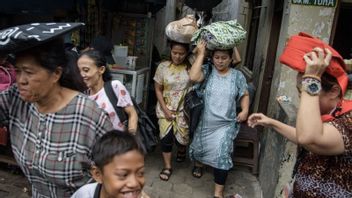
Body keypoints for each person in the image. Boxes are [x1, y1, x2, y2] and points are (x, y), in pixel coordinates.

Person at [0, 37, 114, 197]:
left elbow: (118, 169)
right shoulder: (16, 99)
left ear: (56, 74)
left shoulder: (89, 114)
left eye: (29, 72)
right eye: (17, 71)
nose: (20, 81)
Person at [248, 47, 352, 197]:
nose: (301, 98)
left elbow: (308, 137)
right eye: (300, 91)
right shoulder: (330, 115)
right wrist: (271, 123)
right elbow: (306, 138)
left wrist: (312, 78)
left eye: (306, 91)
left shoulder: (348, 121)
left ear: (334, 92)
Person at [188, 40, 250, 198]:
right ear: (212, 58)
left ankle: (218, 193)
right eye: (217, 57)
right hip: (206, 122)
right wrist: (201, 54)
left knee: (222, 155)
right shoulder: (208, 71)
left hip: (226, 124)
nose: (220, 61)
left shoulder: (237, 76)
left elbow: (244, 93)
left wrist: (245, 110)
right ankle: (199, 164)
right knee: (200, 148)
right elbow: (194, 77)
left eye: (224, 58)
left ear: (231, 59)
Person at [71, 130, 149, 198]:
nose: (134, 183)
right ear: (98, 174)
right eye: (123, 175)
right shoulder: (84, 195)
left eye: (140, 173)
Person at [154, 41, 191, 181]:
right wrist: (165, 109)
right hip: (165, 107)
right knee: (166, 138)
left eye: (181, 53)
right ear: (170, 51)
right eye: (175, 53)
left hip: (183, 110)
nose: (177, 56)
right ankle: (167, 166)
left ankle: (182, 150)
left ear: (186, 53)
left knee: (182, 140)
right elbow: (158, 89)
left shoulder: (189, 66)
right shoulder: (163, 67)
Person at [77, 49, 138, 133]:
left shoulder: (115, 87)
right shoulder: (83, 96)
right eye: (79, 71)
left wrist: (131, 137)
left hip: (119, 144)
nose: (82, 75)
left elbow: (132, 113)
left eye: (86, 70)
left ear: (101, 70)